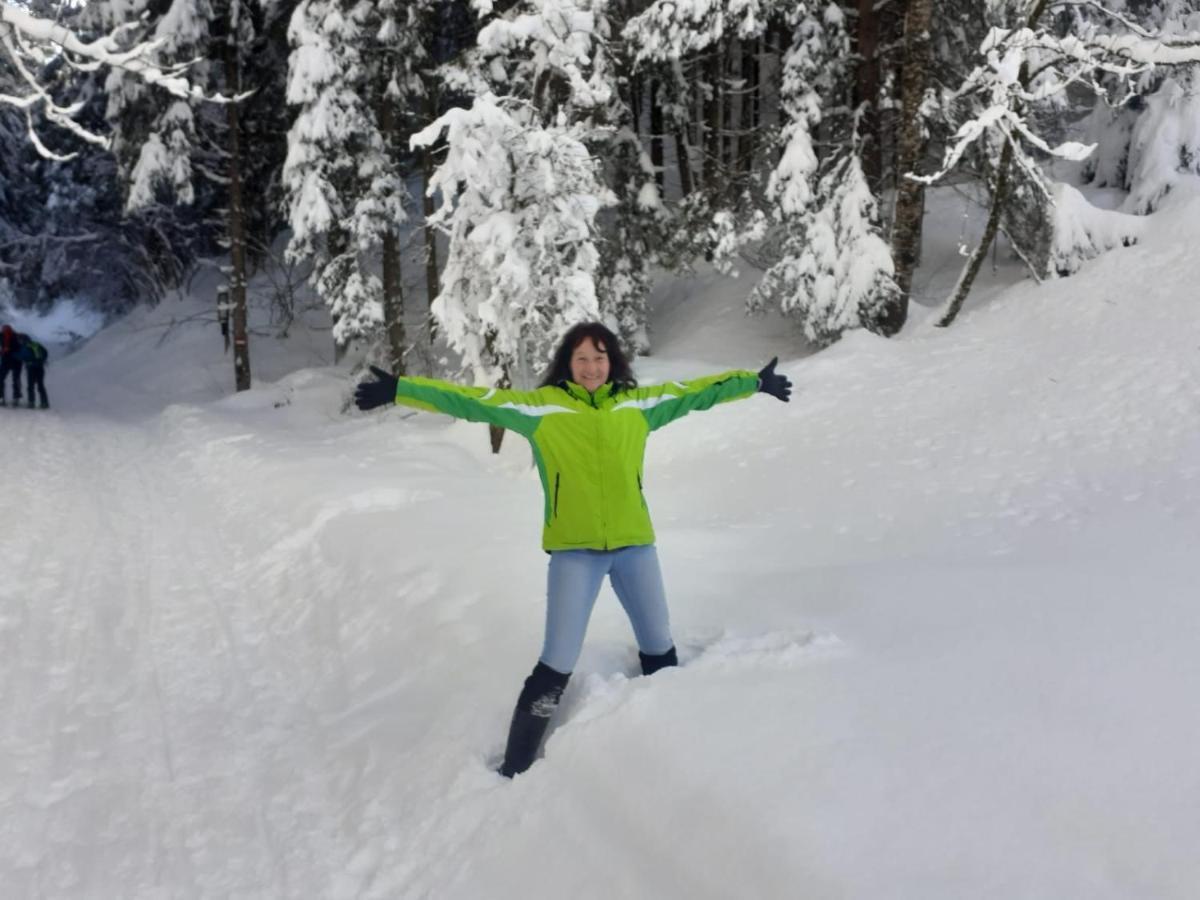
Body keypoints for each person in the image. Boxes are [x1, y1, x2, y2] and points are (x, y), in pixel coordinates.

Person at [354, 322, 792, 777]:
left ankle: (669, 756)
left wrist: (755, 382)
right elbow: (469, 401)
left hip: (636, 549)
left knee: (660, 649)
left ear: (612, 361)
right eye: (581, 358)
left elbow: (698, 391)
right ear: (567, 362)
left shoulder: (637, 405)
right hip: (574, 556)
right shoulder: (543, 410)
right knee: (557, 661)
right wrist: (401, 389)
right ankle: (514, 767)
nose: (591, 367)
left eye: (600, 357)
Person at [17, 333, 49, 409]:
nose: (19, 341)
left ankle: (31, 402)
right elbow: (45, 352)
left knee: (30, 386)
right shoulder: (36, 344)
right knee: (40, 385)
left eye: (20, 340)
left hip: (31, 368)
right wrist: (42, 360)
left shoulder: (25, 347)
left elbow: (22, 356)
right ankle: (44, 403)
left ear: (23, 340)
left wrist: (12, 354)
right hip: (40, 367)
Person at [0, 324, 23, 407]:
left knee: (3, 379)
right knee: (15, 379)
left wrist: (6, 350)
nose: (4, 330)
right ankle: (15, 398)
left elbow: (16, 348)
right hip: (14, 361)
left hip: (10, 361)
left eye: (5, 329)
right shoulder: (15, 336)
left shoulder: (14, 337)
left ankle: (3, 398)